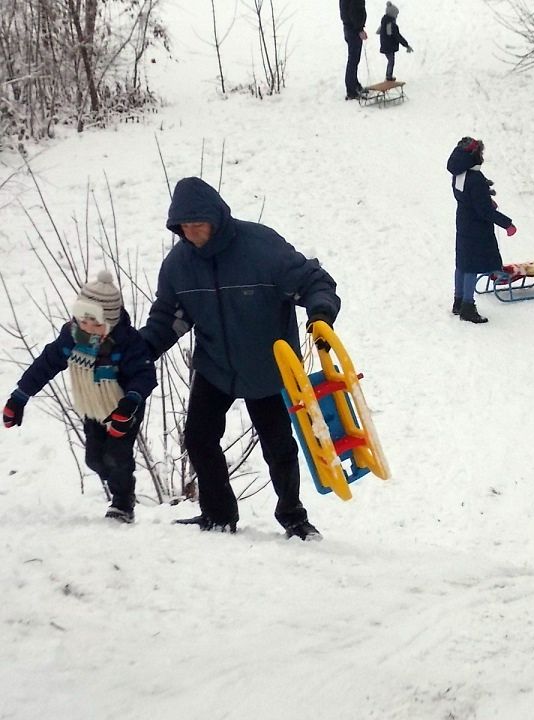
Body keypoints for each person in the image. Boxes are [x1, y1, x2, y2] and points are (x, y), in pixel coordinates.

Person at [140, 177, 341, 540]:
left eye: (198, 224)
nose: (192, 233)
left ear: (216, 218)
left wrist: (320, 314)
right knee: (199, 438)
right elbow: (169, 317)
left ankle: (293, 517)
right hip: (215, 365)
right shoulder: (179, 265)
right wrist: (141, 351)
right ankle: (218, 515)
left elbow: (314, 282)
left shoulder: (262, 247)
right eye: (184, 227)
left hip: (268, 365)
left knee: (278, 448)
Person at [3, 271, 157, 524]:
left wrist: (129, 403)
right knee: (95, 459)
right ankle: (117, 478)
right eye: (83, 320)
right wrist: (19, 397)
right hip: (93, 404)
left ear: (111, 322)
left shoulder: (128, 342)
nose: (88, 329)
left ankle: (123, 503)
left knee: (117, 455)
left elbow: (144, 374)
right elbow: (46, 364)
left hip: (124, 407)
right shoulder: (73, 337)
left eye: (97, 324)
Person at [446, 136, 517, 324]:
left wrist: (486, 198)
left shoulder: (459, 174)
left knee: (462, 263)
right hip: (476, 227)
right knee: (471, 266)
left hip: (463, 222)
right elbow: (484, 211)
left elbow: (468, 197)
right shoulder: (475, 178)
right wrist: (507, 224)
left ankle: (458, 301)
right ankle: (468, 307)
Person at [376, 2, 412, 82]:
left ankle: (389, 76)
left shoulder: (384, 22)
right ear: (392, 14)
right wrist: (406, 45)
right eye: (396, 14)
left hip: (385, 45)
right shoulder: (391, 24)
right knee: (391, 61)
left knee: (390, 61)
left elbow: (379, 31)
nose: (396, 16)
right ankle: (389, 77)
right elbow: (397, 36)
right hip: (389, 46)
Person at [340, 0, 368, 100]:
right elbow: (354, 11)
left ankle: (354, 84)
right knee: (353, 60)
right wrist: (360, 29)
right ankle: (351, 90)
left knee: (354, 59)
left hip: (349, 27)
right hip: (353, 29)